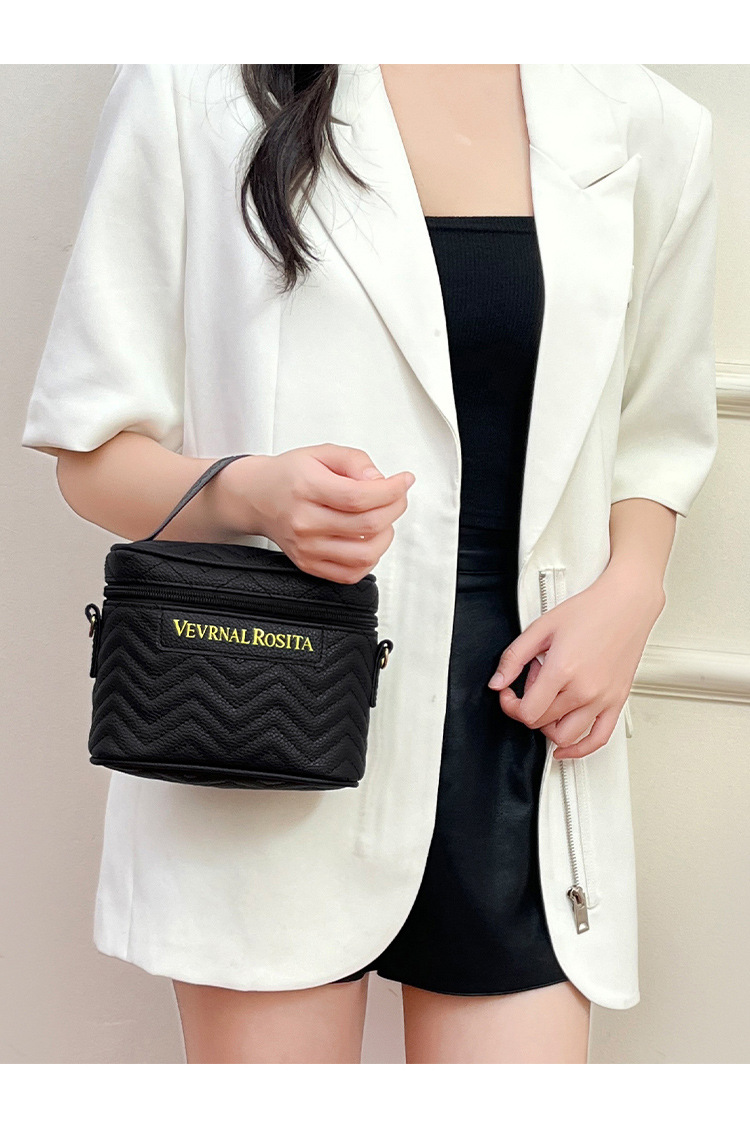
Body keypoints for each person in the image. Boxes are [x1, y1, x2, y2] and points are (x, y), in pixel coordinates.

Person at [21, 64, 718, 1064]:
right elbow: (90, 457)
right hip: (267, 705)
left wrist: (634, 589)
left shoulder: (646, 122)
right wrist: (250, 494)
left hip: (527, 727)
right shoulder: (192, 85)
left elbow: (658, 432)